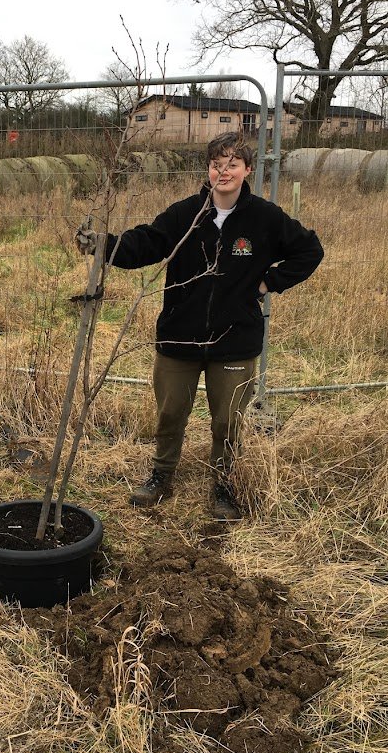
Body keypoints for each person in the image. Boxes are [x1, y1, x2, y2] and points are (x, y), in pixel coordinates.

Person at [75, 132, 324, 520]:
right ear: (207, 169)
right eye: (216, 164)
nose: (223, 172)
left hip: (235, 339)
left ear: (246, 170)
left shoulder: (265, 218)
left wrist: (267, 283)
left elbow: (310, 250)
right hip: (179, 335)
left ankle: (224, 483)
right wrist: (105, 245)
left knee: (228, 419)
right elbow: (147, 242)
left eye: (232, 164)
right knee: (171, 412)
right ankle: (161, 475)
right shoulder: (185, 214)